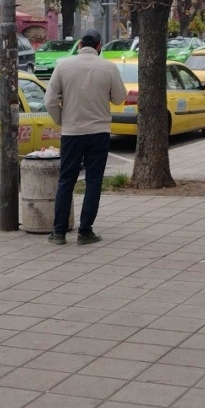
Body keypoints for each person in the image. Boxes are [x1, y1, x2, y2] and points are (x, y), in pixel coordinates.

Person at [46, 28, 128, 246]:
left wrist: (61, 120)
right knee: (93, 182)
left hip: (72, 132)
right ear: (99, 46)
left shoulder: (63, 66)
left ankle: (58, 232)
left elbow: (50, 100)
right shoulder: (108, 68)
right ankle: (85, 231)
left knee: (66, 181)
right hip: (99, 132)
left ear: (80, 45)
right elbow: (120, 98)